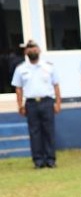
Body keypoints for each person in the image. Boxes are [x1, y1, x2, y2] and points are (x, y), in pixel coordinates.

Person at [11, 40, 62, 168]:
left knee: (48, 131)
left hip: (46, 101)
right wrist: (20, 105)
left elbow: (56, 86)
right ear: (25, 52)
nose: (32, 50)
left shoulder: (49, 66)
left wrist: (58, 102)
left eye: (34, 48)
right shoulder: (21, 69)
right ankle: (38, 160)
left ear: (39, 50)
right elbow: (18, 88)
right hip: (31, 103)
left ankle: (50, 159)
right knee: (34, 132)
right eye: (29, 48)